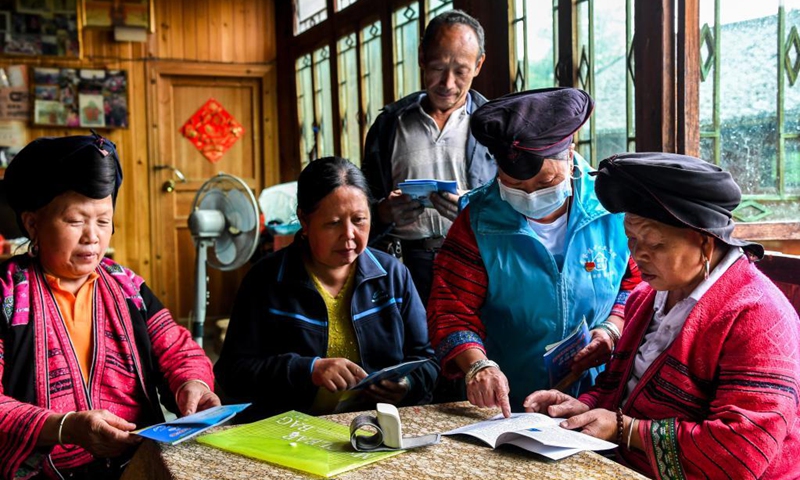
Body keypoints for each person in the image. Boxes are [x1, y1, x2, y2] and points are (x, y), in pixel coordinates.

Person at [524, 153, 800, 479]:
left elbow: (741, 451)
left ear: (705, 242)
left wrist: (627, 430)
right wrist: (582, 408)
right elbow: (617, 391)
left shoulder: (759, 318)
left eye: (654, 242)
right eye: (631, 238)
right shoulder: (646, 299)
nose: (638, 254)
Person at [0, 134, 219, 480]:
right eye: (75, 221)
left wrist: (192, 384)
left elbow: (177, 348)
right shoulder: (7, 295)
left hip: (138, 463)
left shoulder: (127, 288)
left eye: (103, 221)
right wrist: (65, 427)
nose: (92, 237)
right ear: (32, 223)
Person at [428, 88, 641, 416]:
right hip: (505, 403)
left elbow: (638, 283)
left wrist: (612, 327)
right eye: (513, 187)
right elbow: (452, 307)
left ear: (569, 155)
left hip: (599, 396)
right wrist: (478, 365)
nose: (529, 196)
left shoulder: (611, 209)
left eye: (544, 184)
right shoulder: (478, 223)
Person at [215, 157, 438, 421]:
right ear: (304, 221)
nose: (349, 235)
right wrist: (309, 369)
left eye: (359, 220)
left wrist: (406, 386)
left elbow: (428, 360)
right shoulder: (267, 280)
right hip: (290, 432)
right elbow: (232, 374)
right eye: (333, 223)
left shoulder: (392, 275)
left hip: (374, 427)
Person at [362, 9, 496, 305]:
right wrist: (383, 213)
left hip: (476, 264)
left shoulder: (495, 127)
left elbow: (518, 206)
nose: (447, 83)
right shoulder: (389, 126)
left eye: (460, 70)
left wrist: (473, 208)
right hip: (403, 267)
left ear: (478, 65)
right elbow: (360, 206)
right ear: (422, 57)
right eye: (437, 67)